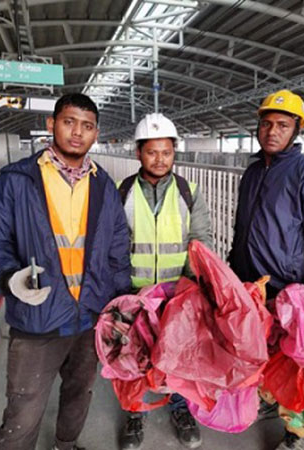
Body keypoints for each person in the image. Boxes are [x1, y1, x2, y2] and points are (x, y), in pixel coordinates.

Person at [0, 93, 132, 450]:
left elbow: (117, 250)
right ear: (51, 125)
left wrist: (121, 305)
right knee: (24, 408)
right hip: (38, 318)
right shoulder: (17, 182)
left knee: (79, 394)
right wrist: (7, 278)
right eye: (69, 122)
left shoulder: (103, 186)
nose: (77, 132)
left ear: (96, 133)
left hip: (90, 316)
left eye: (87, 126)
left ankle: (66, 445)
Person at [227, 89, 304, 450]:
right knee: (259, 357)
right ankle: (269, 401)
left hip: (289, 289)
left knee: (294, 371)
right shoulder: (251, 173)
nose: (272, 131)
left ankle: (299, 434)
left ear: (296, 130)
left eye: (282, 125)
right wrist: (232, 271)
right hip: (252, 288)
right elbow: (242, 229)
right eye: (266, 124)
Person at [116, 113, 213, 450]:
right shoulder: (123, 191)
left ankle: (180, 408)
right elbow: (113, 244)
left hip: (177, 296)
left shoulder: (189, 192)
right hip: (133, 294)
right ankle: (134, 412)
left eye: (166, 152)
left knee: (179, 356)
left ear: (175, 153)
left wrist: (195, 286)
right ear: (138, 153)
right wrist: (120, 294)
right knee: (134, 357)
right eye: (151, 152)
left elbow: (200, 241)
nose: (159, 159)